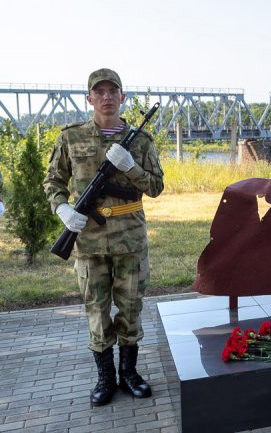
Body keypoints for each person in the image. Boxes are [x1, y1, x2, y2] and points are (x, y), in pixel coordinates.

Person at [43, 68, 164, 406]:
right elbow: (52, 182)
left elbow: (154, 187)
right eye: (100, 92)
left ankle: (130, 374)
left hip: (130, 240)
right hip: (89, 243)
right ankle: (105, 378)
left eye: (114, 91)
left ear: (123, 97)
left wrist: (131, 167)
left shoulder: (140, 141)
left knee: (130, 308)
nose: (107, 97)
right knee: (96, 310)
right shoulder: (71, 138)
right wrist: (62, 210)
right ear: (90, 98)